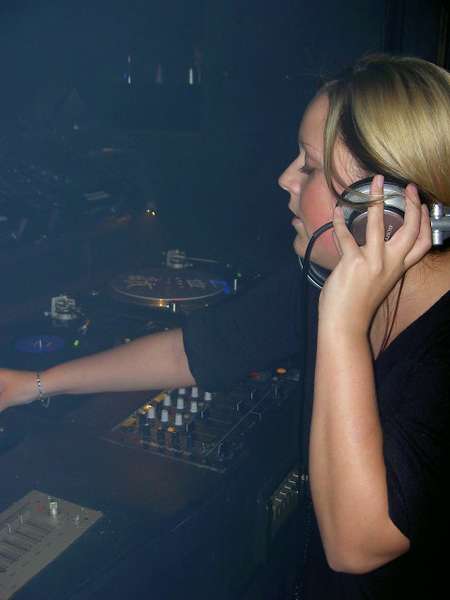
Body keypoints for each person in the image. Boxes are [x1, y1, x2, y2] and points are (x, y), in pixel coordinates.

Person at [0, 54, 449, 598]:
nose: (285, 178)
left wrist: (341, 323)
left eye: (308, 166)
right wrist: (30, 384)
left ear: (384, 209)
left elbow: (357, 545)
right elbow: (192, 352)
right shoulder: (326, 281)